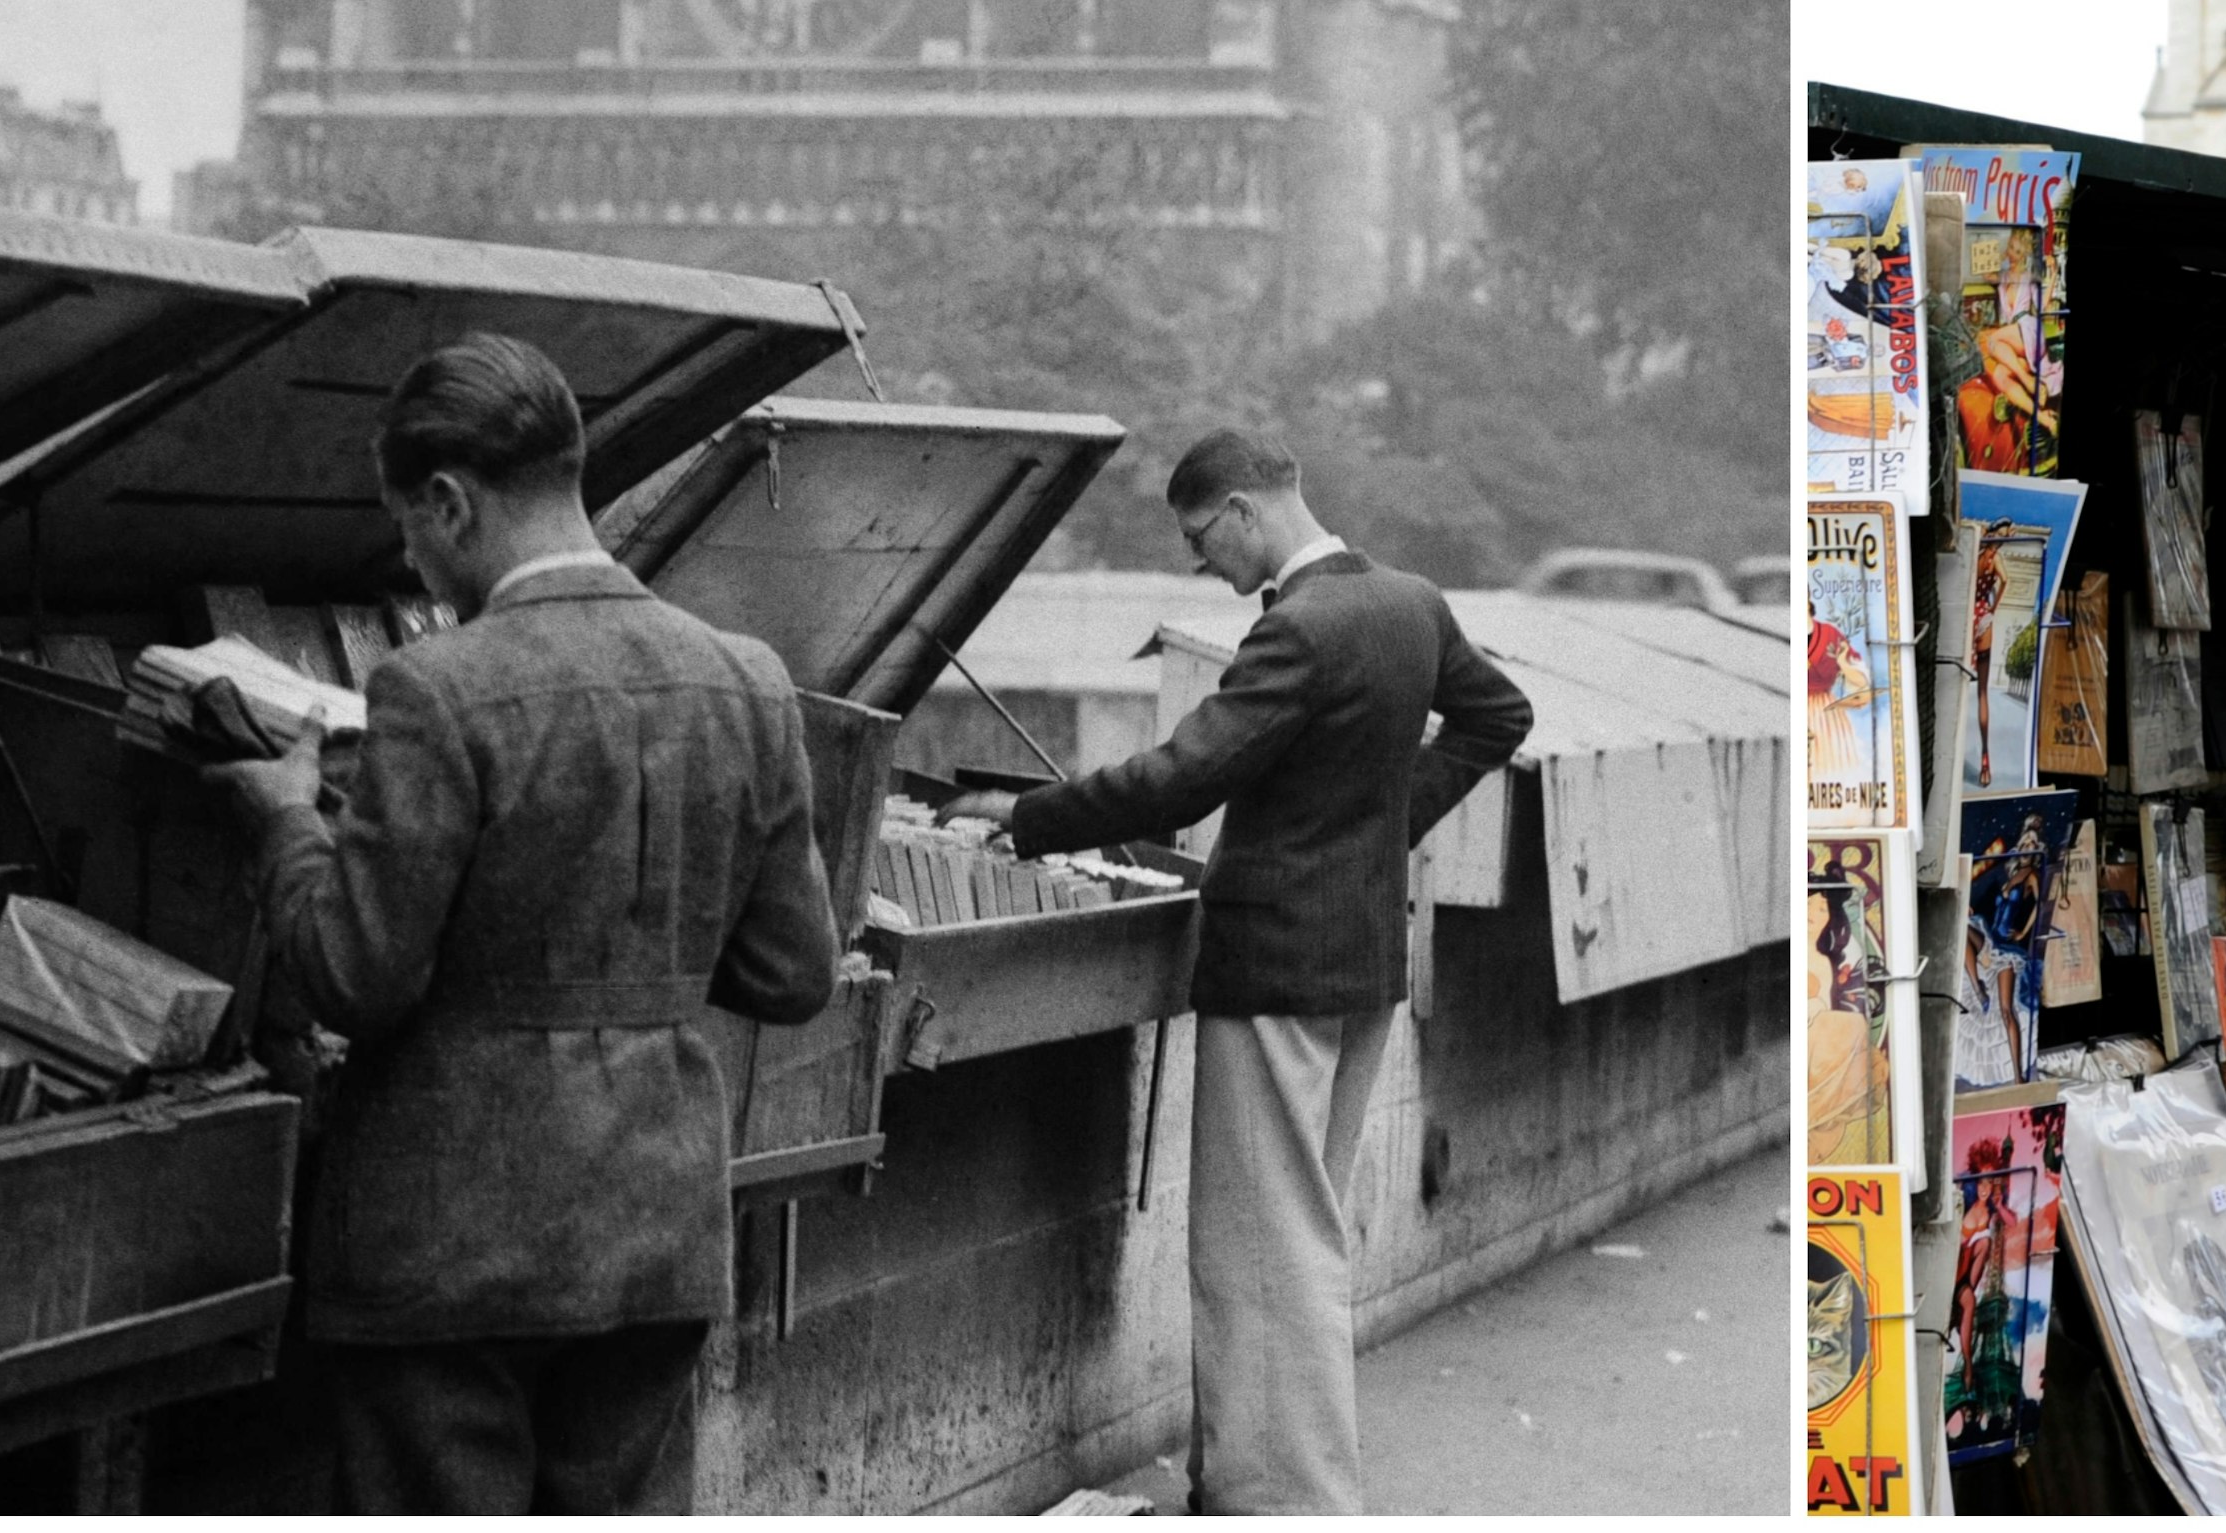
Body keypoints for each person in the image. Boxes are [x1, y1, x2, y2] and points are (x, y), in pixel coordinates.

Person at [210, 333, 839, 1512]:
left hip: (456, 1245)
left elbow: (355, 974)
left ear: (450, 501)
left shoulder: (440, 687)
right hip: (656, 1228)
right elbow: (795, 966)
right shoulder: (747, 678)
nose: (413, 557)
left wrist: (289, 825)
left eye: (407, 527)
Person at [951, 430, 1531, 1514]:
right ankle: (1263, 1480)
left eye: (1195, 538)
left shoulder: (1300, 628)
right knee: (1306, 1231)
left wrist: (1023, 816)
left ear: (1239, 510)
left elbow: (1178, 779)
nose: (1199, 564)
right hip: (1361, 958)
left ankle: (1285, 1501)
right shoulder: (1409, 600)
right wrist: (1387, 821)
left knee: (1259, 1252)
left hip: (1274, 964)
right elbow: (1501, 715)